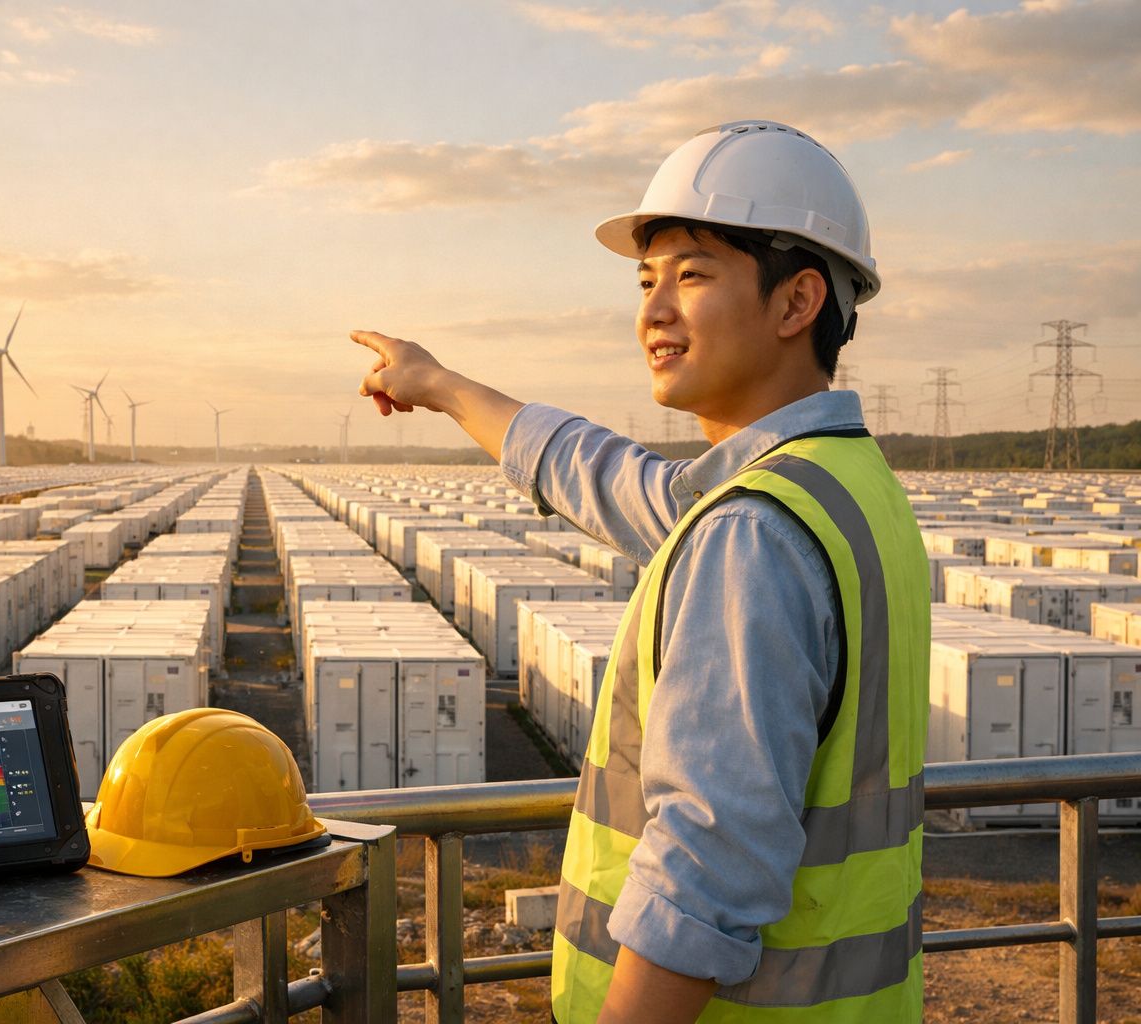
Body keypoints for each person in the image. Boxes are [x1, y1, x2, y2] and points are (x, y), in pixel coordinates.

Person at [350, 120, 928, 1023]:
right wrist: (445, 386)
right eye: (646, 281)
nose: (653, 312)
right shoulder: (845, 487)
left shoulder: (754, 533)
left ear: (797, 301)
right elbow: (605, 475)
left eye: (691, 276)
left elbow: (705, 871)